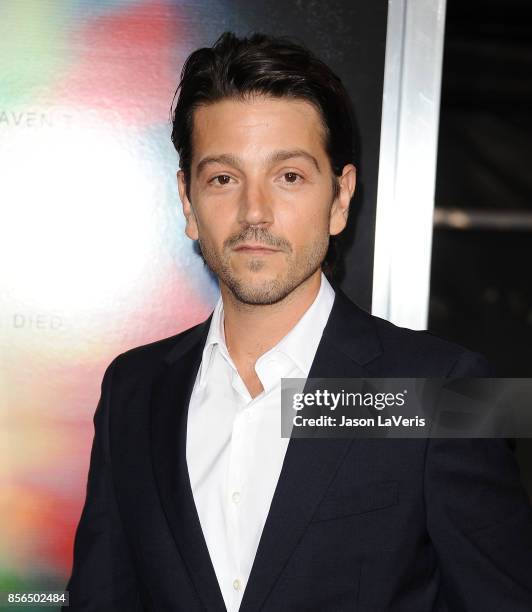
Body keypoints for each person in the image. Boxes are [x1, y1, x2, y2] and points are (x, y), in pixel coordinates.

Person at [64, 32, 532, 611]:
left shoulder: (445, 391)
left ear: (340, 199)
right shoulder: (132, 390)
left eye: (289, 176)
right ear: (187, 203)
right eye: (223, 179)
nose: (254, 212)